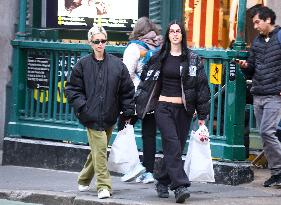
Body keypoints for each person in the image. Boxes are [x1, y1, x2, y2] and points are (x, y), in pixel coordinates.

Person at [135, 20, 210, 203]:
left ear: (182, 35)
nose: (175, 34)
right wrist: (139, 105)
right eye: (172, 31)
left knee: (175, 148)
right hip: (163, 108)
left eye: (178, 31)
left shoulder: (193, 58)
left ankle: (162, 180)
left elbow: (201, 87)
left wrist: (202, 115)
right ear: (168, 35)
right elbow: (146, 82)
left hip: (184, 110)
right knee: (172, 144)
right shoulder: (158, 56)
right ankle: (179, 186)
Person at [65, 24, 135, 199]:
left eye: (103, 41)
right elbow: (72, 89)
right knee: (101, 148)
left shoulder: (117, 65)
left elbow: (127, 89)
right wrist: (84, 107)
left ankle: (83, 178)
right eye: (96, 41)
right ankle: (103, 186)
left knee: (98, 150)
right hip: (91, 116)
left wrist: (127, 111)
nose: (100, 44)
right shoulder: (83, 65)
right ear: (90, 43)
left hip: (110, 115)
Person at [237, 6, 281, 187]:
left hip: (274, 95)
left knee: (266, 131)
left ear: (268, 20)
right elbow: (252, 66)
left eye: (257, 22)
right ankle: (277, 173)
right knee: (265, 136)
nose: (255, 26)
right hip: (258, 94)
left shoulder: (280, 37)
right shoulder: (257, 42)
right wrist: (245, 65)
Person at [120, 17, 162, 184]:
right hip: (154, 96)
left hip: (137, 96)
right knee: (149, 134)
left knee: (123, 128)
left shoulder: (134, 48)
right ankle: (149, 172)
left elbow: (127, 75)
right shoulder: (158, 46)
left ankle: (132, 166)